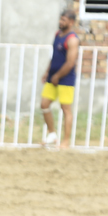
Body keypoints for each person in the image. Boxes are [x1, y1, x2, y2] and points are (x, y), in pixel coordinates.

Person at [40, 11, 79, 150]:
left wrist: (58, 76)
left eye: (64, 20)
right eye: (60, 19)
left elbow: (70, 62)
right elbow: (54, 56)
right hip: (52, 77)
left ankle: (66, 141)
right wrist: (47, 72)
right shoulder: (58, 35)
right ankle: (52, 134)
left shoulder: (72, 39)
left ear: (71, 22)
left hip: (65, 79)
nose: (60, 22)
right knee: (44, 104)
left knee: (66, 109)